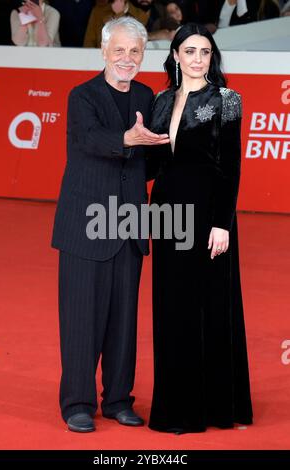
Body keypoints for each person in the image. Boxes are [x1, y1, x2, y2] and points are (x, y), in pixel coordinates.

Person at [51, 16, 169, 433]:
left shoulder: (145, 94)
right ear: (103, 52)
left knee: (124, 321)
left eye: (134, 51)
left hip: (131, 224)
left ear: (142, 56)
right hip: (85, 224)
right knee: (82, 319)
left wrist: (173, 144)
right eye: (118, 50)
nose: (126, 58)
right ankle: (77, 403)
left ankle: (119, 399)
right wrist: (128, 139)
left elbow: (149, 161)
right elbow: (89, 139)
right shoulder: (81, 96)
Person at [148, 23, 253, 433]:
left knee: (210, 307)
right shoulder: (160, 100)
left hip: (209, 215)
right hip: (167, 215)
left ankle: (214, 406)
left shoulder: (227, 100)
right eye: (189, 51)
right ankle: (176, 406)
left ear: (212, 57)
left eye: (204, 52)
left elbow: (231, 168)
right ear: (175, 55)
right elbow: (155, 166)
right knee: (172, 308)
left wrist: (221, 223)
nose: (196, 58)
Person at [83, 0, 148, 48]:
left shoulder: (141, 15)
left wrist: (119, 14)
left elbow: (133, 43)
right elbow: (89, 42)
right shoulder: (98, 12)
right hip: (101, 59)